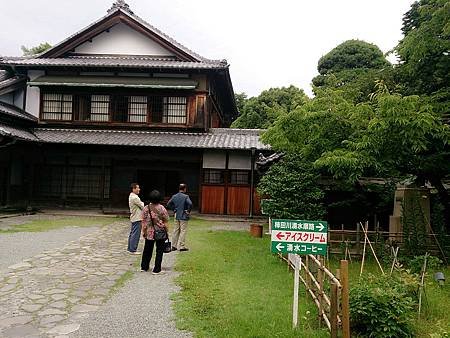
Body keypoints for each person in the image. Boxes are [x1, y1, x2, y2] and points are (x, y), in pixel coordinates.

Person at [141, 190, 169, 274]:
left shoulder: (146, 208)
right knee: (159, 250)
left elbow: (143, 221)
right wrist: (167, 231)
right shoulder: (162, 208)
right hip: (160, 232)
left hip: (149, 232)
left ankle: (144, 267)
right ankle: (157, 269)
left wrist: (144, 231)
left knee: (147, 249)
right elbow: (166, 220)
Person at [167, 183, 192, 252]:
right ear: (184, 189)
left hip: (176, 214)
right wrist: (188, 211)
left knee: (176, 230)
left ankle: (174, 246)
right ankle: (181, 246)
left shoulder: (174, 196)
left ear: (179, 188)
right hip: (183, 215)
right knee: (183, 231)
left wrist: (174, 209)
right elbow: (190, 204)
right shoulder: (186, 196)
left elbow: (168, 204)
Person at [128, 183, 144, 254]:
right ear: (133, 189)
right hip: (137, 217)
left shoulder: (132, 196)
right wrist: (142, 203)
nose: (139, 189)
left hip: (134, 216)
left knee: (132, 233)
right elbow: (142, 205)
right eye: (137, 188)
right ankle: (133, 249)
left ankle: (130, 248)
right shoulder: (135, 197)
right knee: (136, 234)